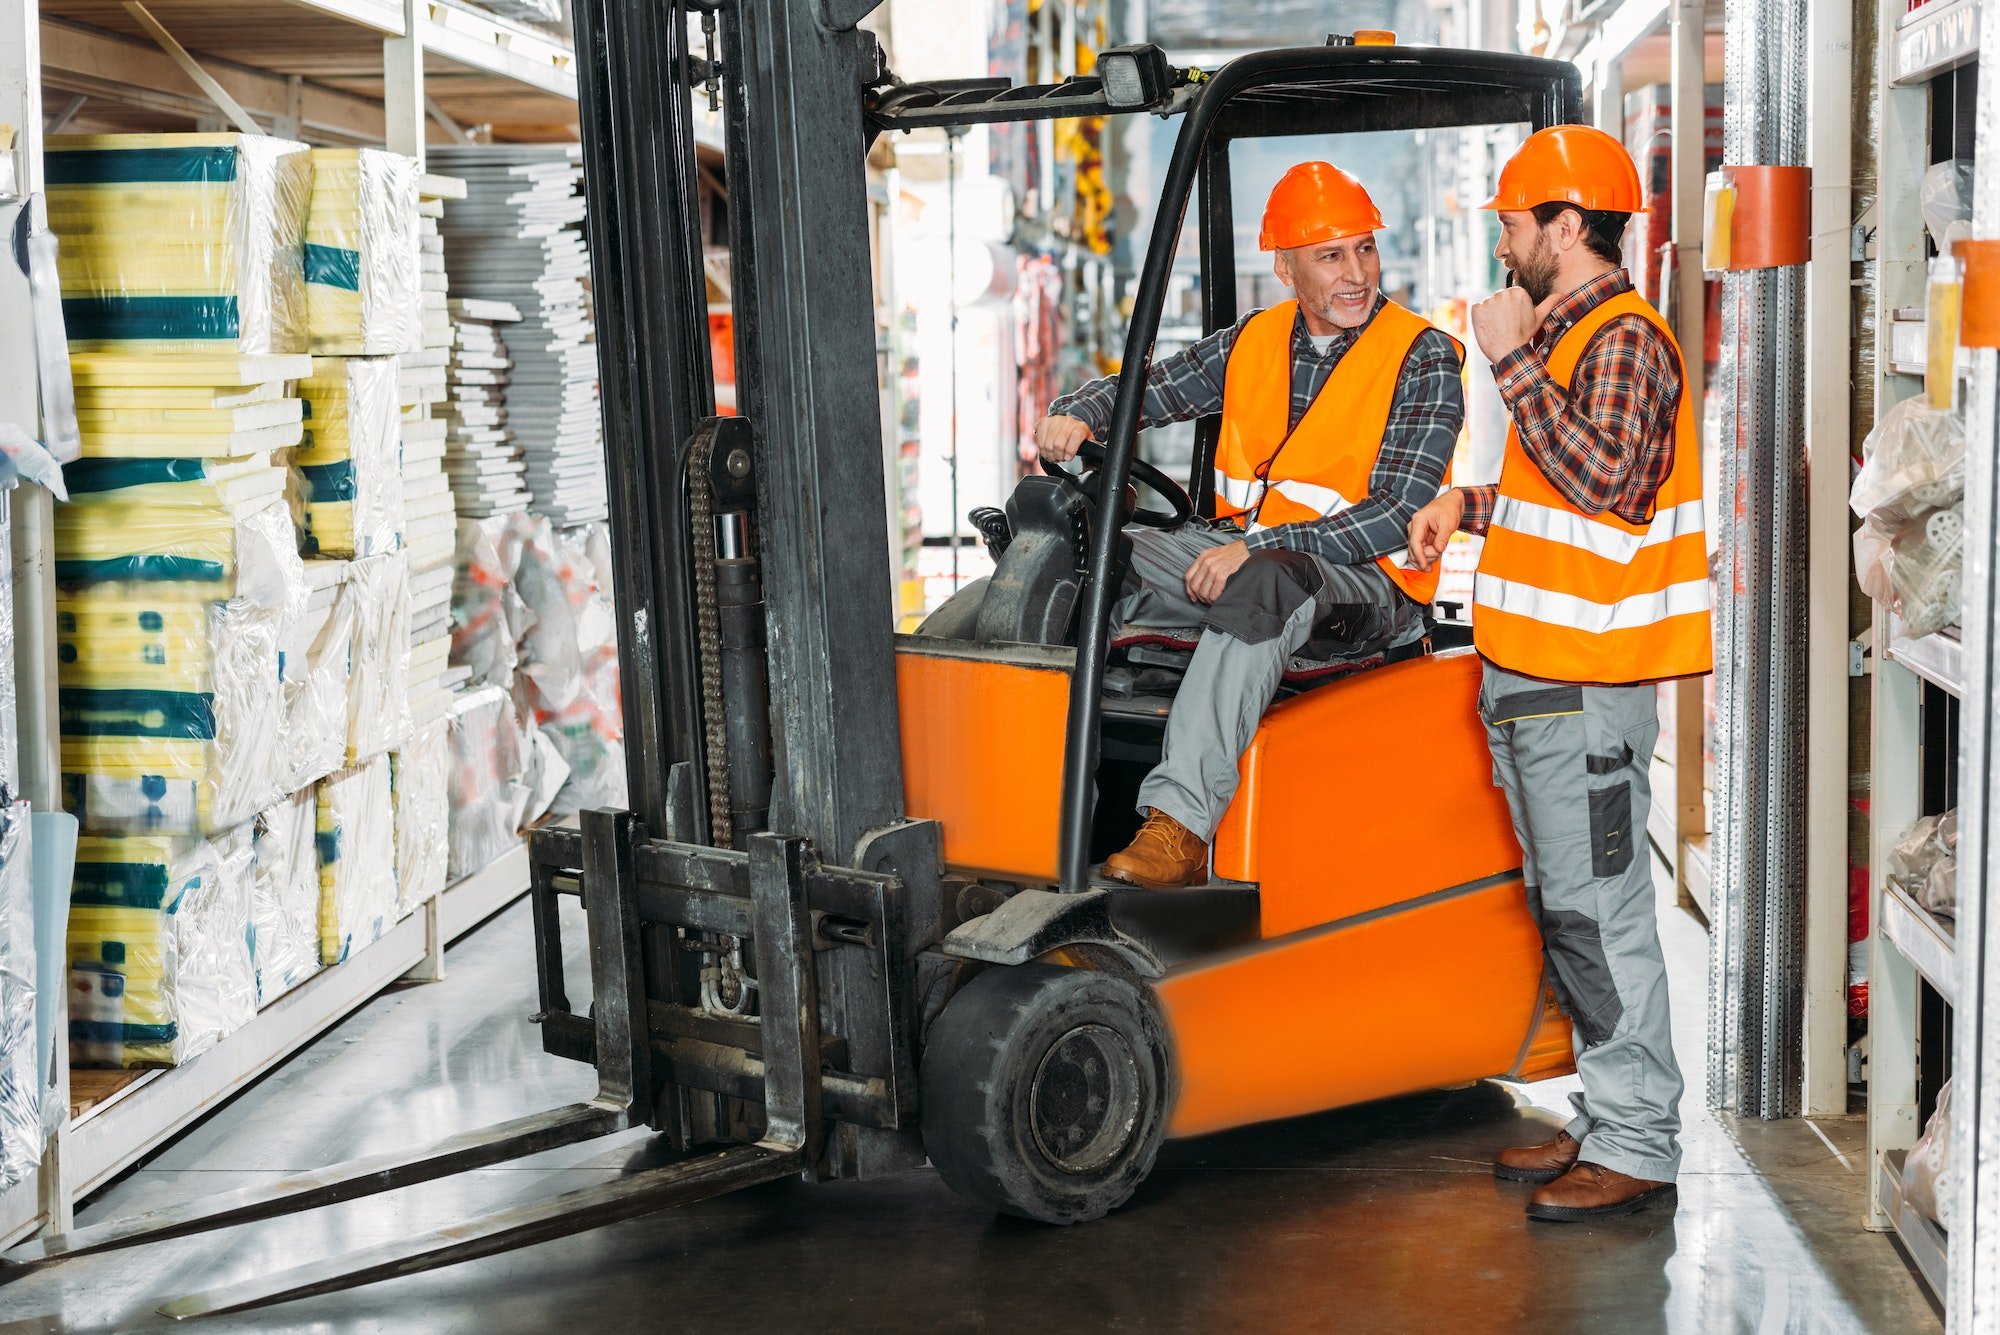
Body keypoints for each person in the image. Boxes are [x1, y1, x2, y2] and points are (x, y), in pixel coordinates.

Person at [1406, 124, 1713, 1221]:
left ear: (1567, 226)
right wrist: (1468, 504)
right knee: (1570, 911)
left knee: (1599, 916)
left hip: (1582, 686)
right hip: (1538, 676)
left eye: (1514, 220)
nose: (1501, 237)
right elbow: (1555, 491)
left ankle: (1636, 1142)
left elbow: (1608, 486)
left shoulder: (1621, 337)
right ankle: (1608, 1110)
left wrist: (1504, 359)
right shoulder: (1567, 337)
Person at [1035, 161, 1464, 890]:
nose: (1356, 272)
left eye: (1365, 248)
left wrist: (1255, 546)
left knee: (1264, 583)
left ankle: (1180, 824)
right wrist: (1083, 410)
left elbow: (1395, 516)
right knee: (1089, 548)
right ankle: (1048, 783)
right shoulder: (1255, 341)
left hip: (1370, 590)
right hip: (1253, 558)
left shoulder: (1420, 356)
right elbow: (1154, 386)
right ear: (1285, 266)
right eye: (1332, 255)